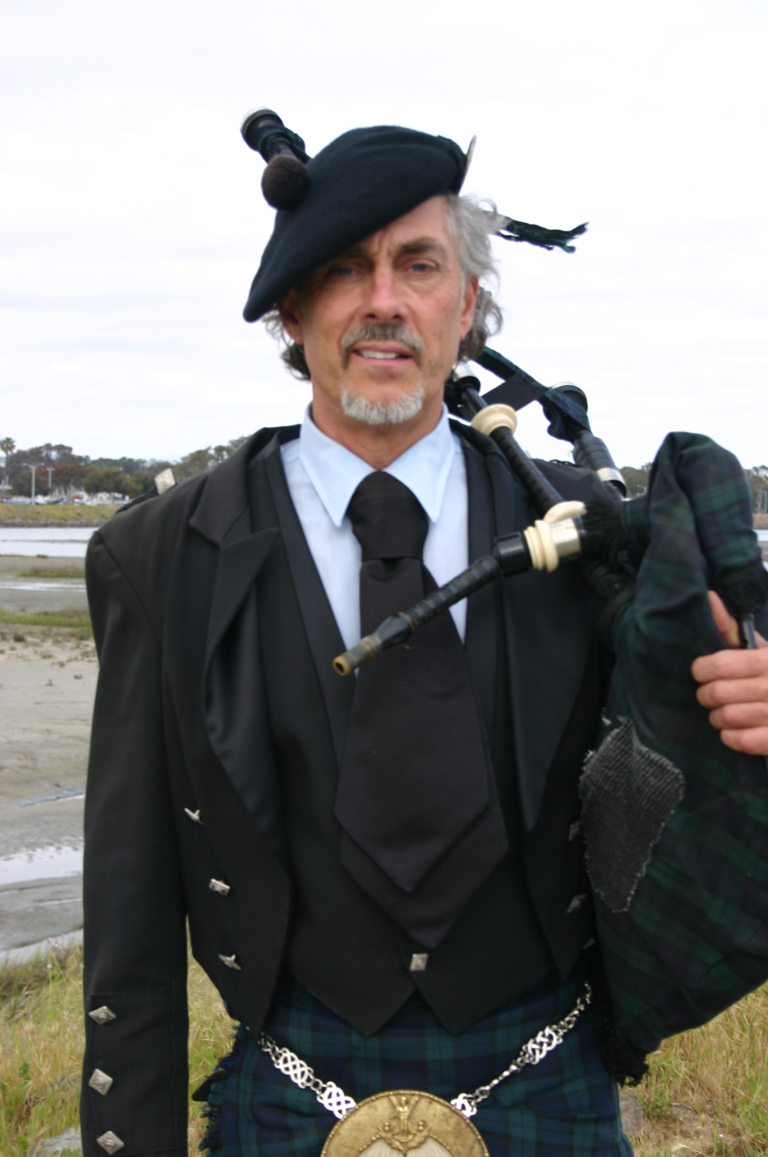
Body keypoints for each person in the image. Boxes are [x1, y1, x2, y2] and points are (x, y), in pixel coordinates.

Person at [80, 124, 768, 1157]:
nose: (384, 302)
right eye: (344, 269)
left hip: (547, 1072)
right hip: (286, 1085)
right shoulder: (163, 551)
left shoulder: (597, 533)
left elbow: (682, 755)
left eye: (418, 264)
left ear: (469, 304)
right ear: (292, 308)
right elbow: (129, 901)